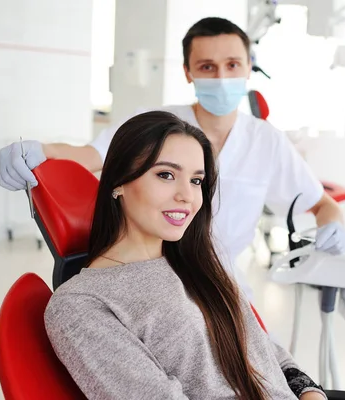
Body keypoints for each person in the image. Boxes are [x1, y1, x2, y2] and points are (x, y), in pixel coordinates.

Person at [0, 17, 345, 300]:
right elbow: (91, 155)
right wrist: (38, 150)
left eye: (231, 64)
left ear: (248, 68)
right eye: (207, 67)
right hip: (149, 276)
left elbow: (321, 204)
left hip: (222, 283)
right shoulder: (157, 124)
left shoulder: (266, 141)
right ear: (188, 72)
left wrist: (333, 223)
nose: (221, 77)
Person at [44, 111, 327, 399]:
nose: (187, 196)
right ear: (119, 181)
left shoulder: (200, 263)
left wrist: (309, 392)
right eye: (166, 175)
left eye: (195, 181)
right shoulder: (82, 303)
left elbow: (261, 347)